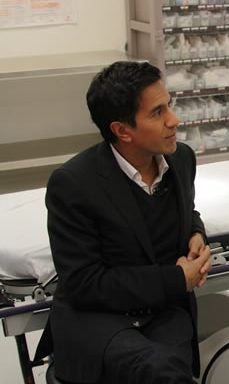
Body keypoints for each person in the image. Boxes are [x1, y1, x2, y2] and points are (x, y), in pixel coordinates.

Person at [35, 61, 212, 383]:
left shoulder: (181, 159)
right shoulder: (74, 184)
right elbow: (83, 284)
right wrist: (175, 279)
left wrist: (196, 234)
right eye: (157, 113)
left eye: (168, 105)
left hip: (163, 312)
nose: (174, 120)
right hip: (98, 318)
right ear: (122, 130)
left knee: (167, 367)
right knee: (159, 370)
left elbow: (188, 212)